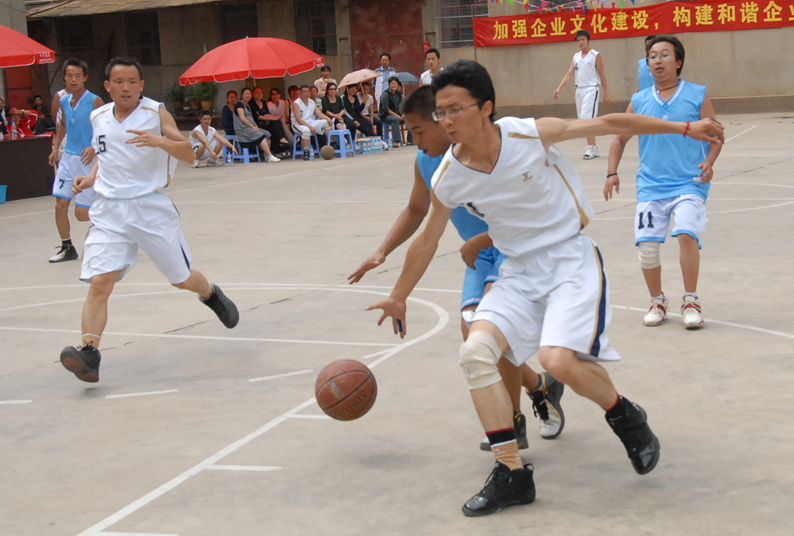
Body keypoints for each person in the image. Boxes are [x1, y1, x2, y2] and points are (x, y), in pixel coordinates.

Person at [367, 59, 723, 517]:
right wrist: (399, 295)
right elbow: (427, 239)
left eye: (456, 109)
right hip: (518, 270)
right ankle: (512, 473)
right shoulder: (449, 173)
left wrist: (686, 127)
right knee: (475, 353)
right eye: (441, 112)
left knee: (558, 361)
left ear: (486, 107)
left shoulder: (527, 134)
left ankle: (625, 415)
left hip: (569, 259)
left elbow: (609, 123)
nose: (447, 120)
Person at [349, 85, 565, 450]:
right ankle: (539, 385)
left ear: (442, 121)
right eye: (409, 132)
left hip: (513, 251)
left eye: (418, 130)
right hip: (479, 257)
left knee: (494, 331)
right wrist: (382, 252)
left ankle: (511, 422)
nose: (413, 140)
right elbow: (416, 210)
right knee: (472, 333)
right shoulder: (427, 161)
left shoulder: (485, 151)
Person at [61, 57, 240, 383]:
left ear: (141, 85)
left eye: (132, 82)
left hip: (149, 209)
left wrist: (159, 141)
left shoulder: (155, 113)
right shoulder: (98, 116)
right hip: (109, 210)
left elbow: (188, 153)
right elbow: (105, 155)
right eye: (119, 82)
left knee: (180, 278)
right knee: (101, 283)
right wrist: (90, 177)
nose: (126, 87)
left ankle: (210, 293)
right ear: (108, 86)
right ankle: (89, 353)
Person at [605, 35, 721, 330]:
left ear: (678, 62)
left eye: (664, 55)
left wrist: (709, 161)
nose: (657, 60)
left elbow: (716, 135)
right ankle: (657, 301)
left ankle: (691, 301)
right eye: (652, 56)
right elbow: (619, 138)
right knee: (647, 248)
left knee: (686, 235)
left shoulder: (696, 94)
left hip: (689, 182)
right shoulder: (639, 100)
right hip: (651, 185)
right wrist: (611, 172)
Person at [46, 58, 104, 263]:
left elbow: (106, 128)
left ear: (85, 77)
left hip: (87, 160)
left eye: (77, 76)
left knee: (82, 214)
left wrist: (94, 146)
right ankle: (67, 247)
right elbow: (62, 124)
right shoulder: (63, 100)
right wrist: (56, 148)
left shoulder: (94, 101)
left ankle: (113, 222)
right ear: (64, 78)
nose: (73, 79)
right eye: (69, 76)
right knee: (60, 204)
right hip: (68, 158)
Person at [554, 30, 611, 160]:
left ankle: (590, 148)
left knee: (586, 119)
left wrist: (606, 92)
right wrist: (559, 87)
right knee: (583, 120)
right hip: (579, 90)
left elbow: (602, 74)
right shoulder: (576, 56)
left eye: (583, 39)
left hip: (591, 89)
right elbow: (570, 74)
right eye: (578, 40)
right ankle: (594, 148)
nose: (581, 42)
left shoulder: (595, 55)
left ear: (588, 40)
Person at [233, 87, 281, 163]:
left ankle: (266, 155)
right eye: (246, 94)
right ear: (242, 95)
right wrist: (252, 126)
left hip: (251, 128)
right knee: (261, 135)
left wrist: (256, 127)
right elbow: (243, 118)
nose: (247, 95)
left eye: (249, 94)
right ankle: (270, 155)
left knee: (267, 134)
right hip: (243, 129)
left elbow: (251, 118)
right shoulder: (239, 105)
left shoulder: (248, 105)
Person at [291, 85, 333, 160]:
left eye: (308, 92)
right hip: (298, 124)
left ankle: (329, 145)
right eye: (304, 92)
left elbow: (319, 113)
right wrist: (310, 127)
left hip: (311, 121)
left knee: (328, 123)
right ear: (300, 93)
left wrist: (328, 118)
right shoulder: (296, 103)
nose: (306, 93)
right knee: (306, 130)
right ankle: (306, 151)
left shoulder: (311, 102)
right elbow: (298, 119)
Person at [250, 87, 290, 157]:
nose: (259, 94)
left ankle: (281, 140)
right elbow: (258, 117)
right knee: (273, 129)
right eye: (257, 92)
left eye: (260, 92)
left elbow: (268, 113)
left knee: (276, 124)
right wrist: (272, 118)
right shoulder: (251, 103)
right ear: (253, 94)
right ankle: (276, 150)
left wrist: (275, 117)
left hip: (266, 123)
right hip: (257, 126)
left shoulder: (263, 102)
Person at [379, 76, 403, 147]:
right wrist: (398, 116)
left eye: (395, 83)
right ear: (389, 84)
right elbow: (386, 109)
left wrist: (403, 114)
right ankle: (395, 141)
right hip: (385, 115)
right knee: (395, 119)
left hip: (397, 114)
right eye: (392, 83)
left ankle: (410, 140)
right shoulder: (385, 94)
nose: (393, 85)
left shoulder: (399, 94)